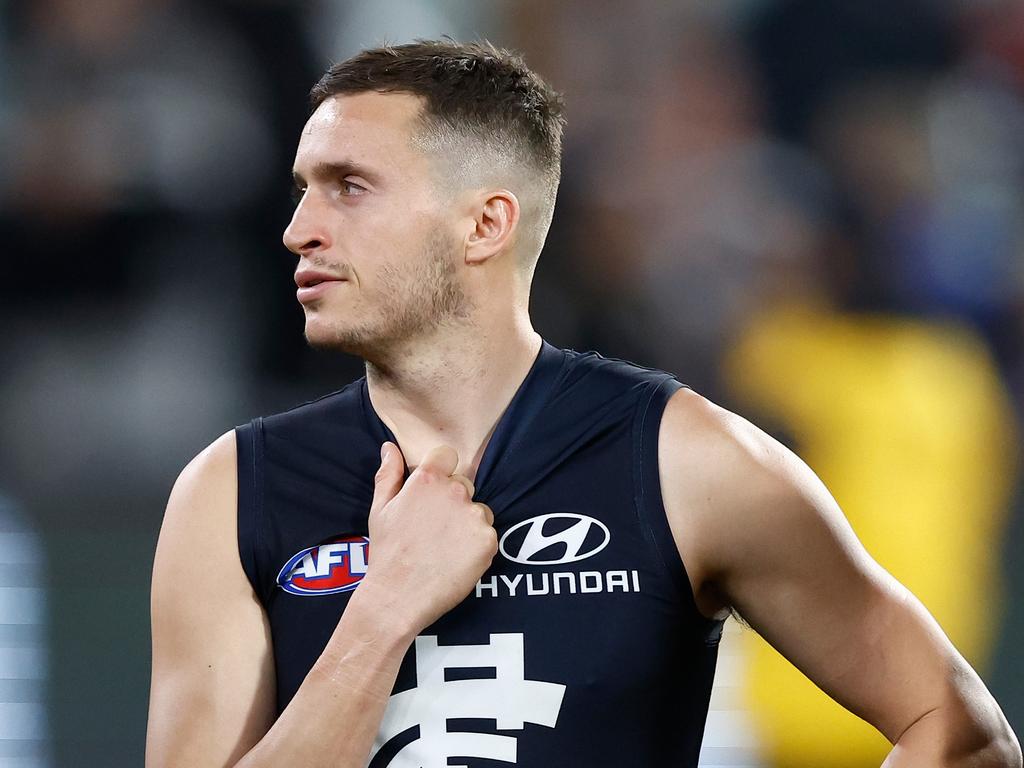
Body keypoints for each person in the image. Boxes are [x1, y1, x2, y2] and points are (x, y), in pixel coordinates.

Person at [145, 40, 1022, 768]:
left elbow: (959, 731)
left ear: (485, 224)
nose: (300, 226)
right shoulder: (229, 491)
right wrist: (382, 613)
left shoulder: (686, 462)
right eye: (303, 187)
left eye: (348, 186)